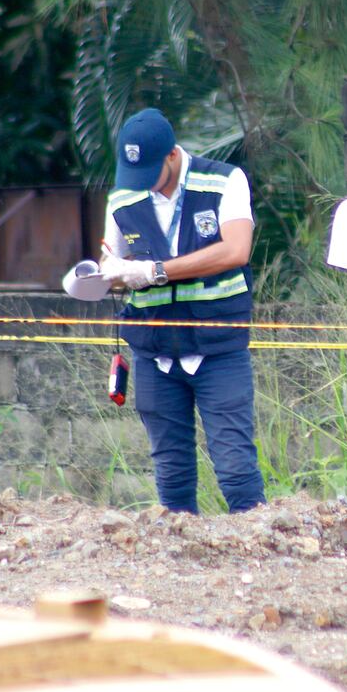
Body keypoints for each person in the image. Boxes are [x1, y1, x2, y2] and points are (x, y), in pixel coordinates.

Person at [100, 108, 266, 514]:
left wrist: (155, 272)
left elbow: (235, 250)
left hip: (218, 347)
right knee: (170, 472)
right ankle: (178, 567)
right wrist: (110, 275)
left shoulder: (225, 181)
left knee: (235, 468)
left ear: (172, 156)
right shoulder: (123, 198)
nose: (142, 187)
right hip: (154, 350)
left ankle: (257, 555)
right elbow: (113, 265)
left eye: (150, 175)